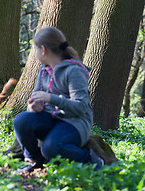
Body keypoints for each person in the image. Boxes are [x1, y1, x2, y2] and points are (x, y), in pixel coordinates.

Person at [13, 26, 104, 173]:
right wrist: (35, 107)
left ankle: (90, 159)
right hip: (50, 118)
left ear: (43, 50)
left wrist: (51, 98)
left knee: (51, 148)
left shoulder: (74, 71)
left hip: (74, 123)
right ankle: (35, 160)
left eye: (35, 49)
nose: (34, 53)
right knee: (21, 121)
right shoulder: (44, 70)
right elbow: (38, 98)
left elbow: (81, 107)